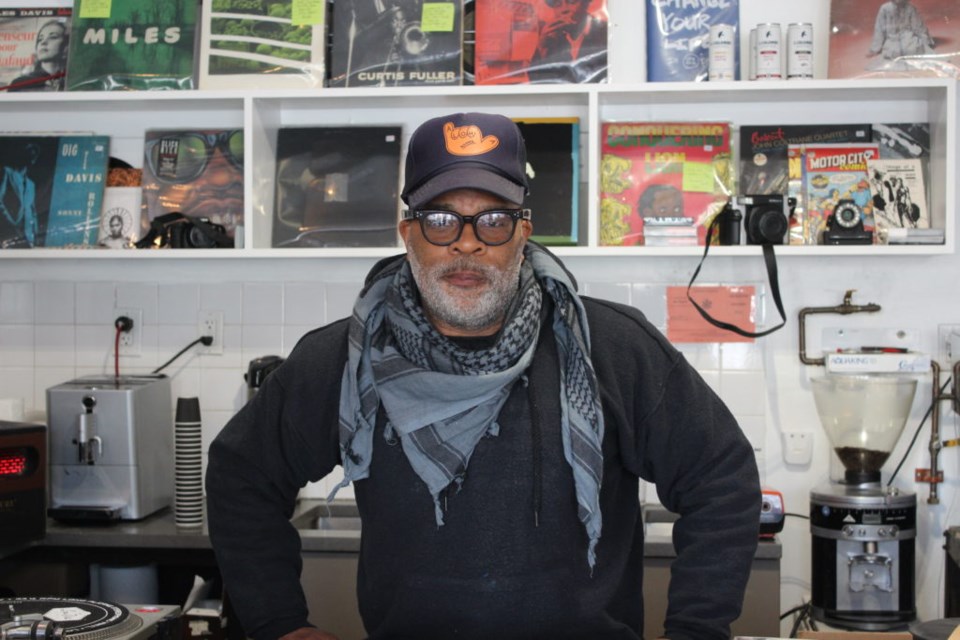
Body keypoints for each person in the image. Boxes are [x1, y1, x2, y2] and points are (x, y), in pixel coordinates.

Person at [206, 112, 761, 640]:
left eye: (493, 220)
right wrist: (278, 622)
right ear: (408, 232)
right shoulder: (343, 357)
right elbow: (242, 475)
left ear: (523, 232)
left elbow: (721, 478)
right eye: (441, 219)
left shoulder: (612, 347)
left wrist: (696, 629)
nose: (466, 243)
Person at [527, 0, 607, 83]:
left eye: (571, 2)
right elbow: (537, 82)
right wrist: (542, 48)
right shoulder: (552, 38)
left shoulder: (605, 33)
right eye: (557, 4)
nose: (564, 9)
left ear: (586, 3)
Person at [867, 0, 934, 69]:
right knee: (893, 51)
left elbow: (918, 26)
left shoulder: (910, 8)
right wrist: (875, 49)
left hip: (908, 38)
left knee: (912, 49)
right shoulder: (885, 9)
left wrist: (926, 42)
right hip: (892, 39)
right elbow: (879, 29)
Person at [9, 19, 69, 92]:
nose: (43, 42)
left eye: (53, 37)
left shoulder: (72, 81)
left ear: (66, 46)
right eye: (40, 39)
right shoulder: (20, 84)